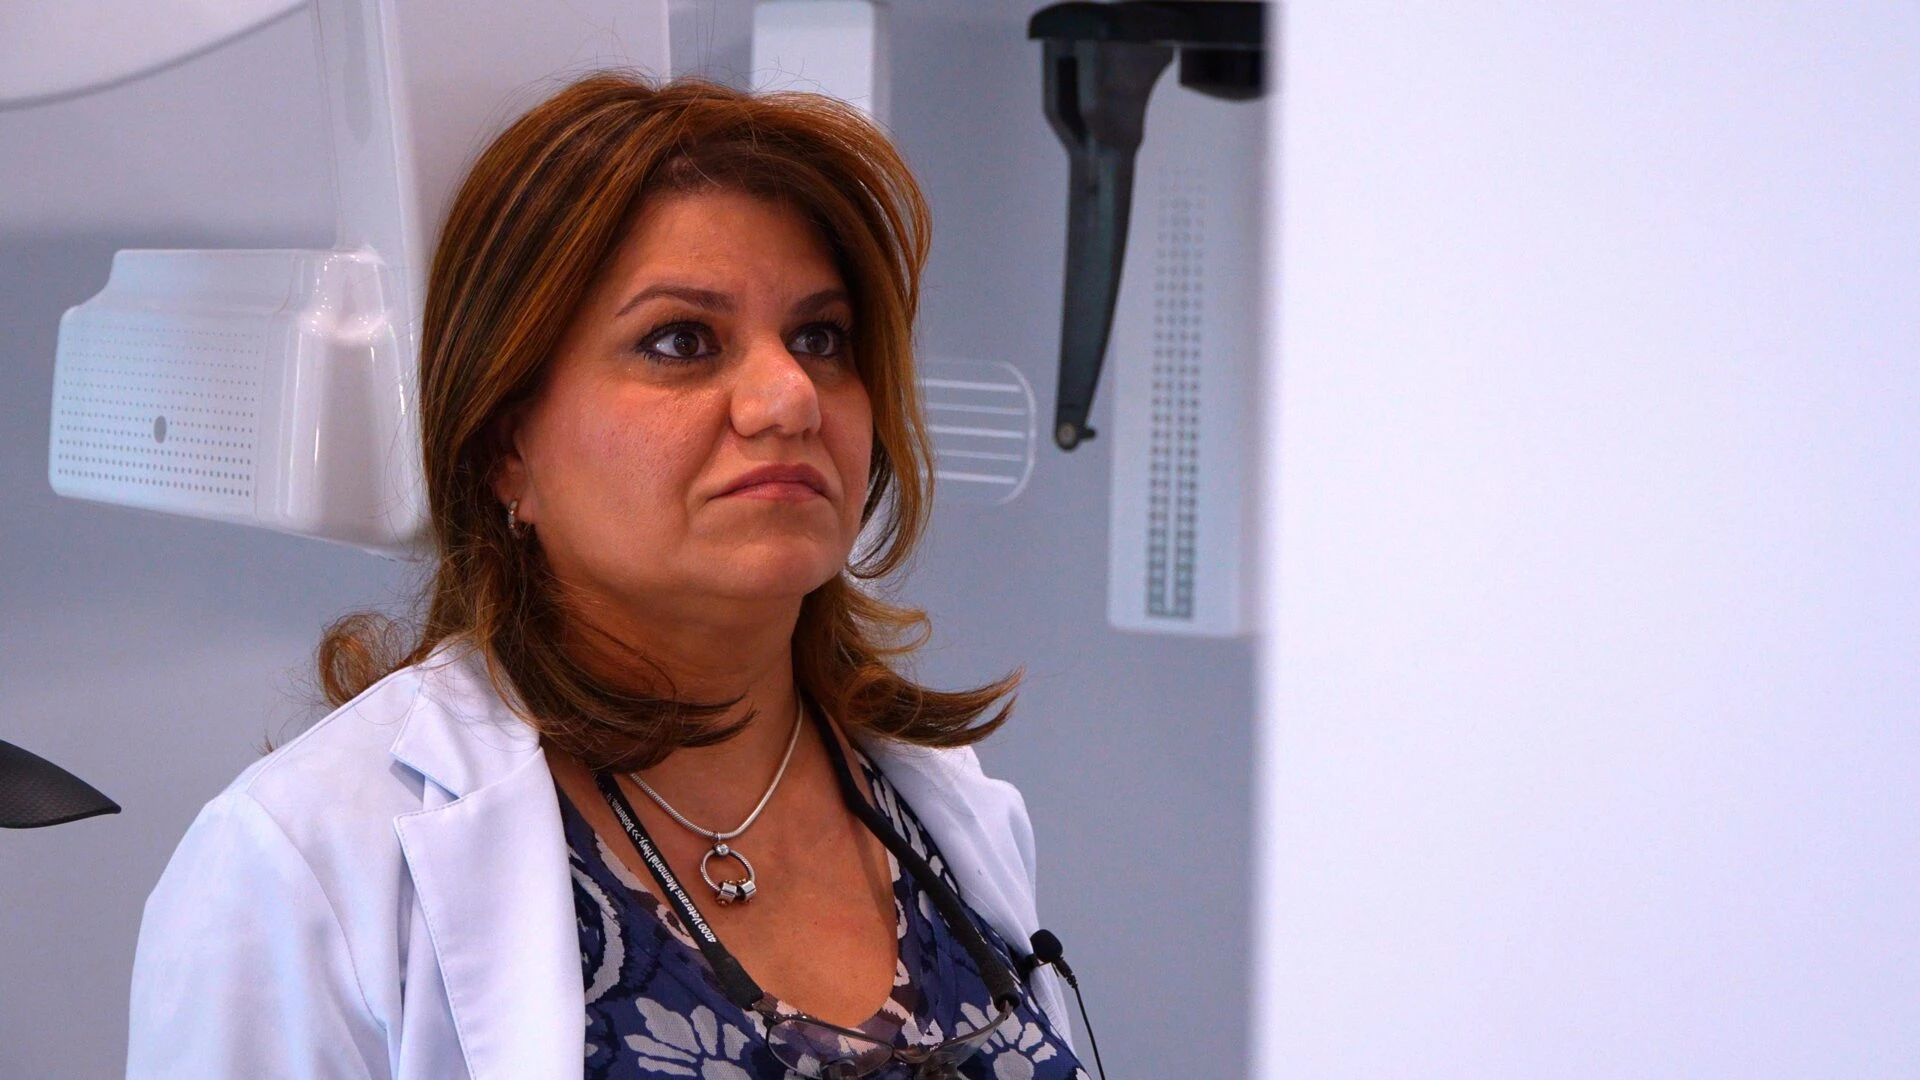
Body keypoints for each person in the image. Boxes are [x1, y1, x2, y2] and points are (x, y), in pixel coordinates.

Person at [126, 73, 1086, 1080]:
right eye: (682, 341)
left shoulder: (950, 815)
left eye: (820, 338)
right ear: (507, 445)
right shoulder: (307, 865)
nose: (789, 396)